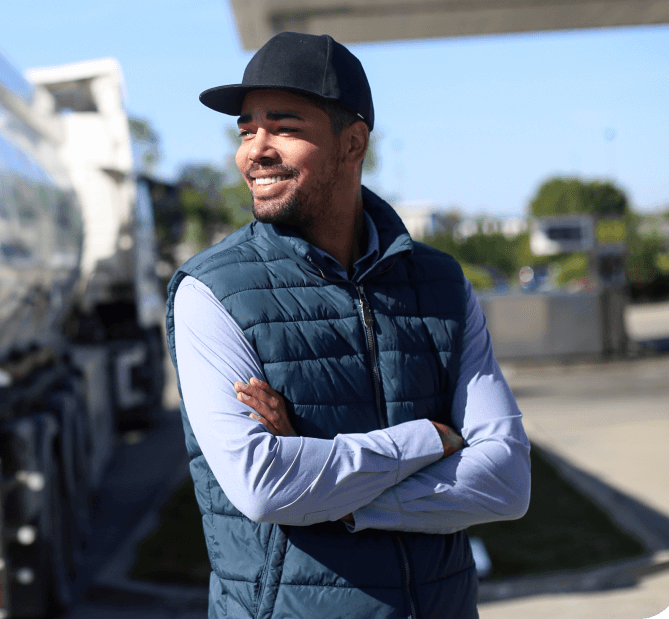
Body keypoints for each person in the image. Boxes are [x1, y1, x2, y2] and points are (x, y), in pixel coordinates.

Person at [166, 31, 530, 619]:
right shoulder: (213, 292)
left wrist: (336, 497)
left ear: (353, 142)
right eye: (245, 129)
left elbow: (507, 481)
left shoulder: (440, 283)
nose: (254, 151)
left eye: (283, 127)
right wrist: (430, 439)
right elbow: (265, 486)